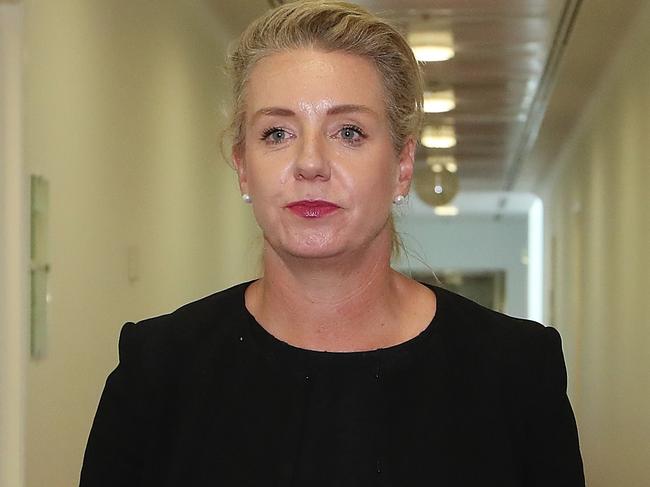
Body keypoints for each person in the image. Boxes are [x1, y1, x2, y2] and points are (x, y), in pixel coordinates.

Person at [79, 1, 585, 486]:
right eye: (277, 133)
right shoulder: (157, 373)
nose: (310, 163)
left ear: (402, 166)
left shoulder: (515, 374)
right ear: (242, 167)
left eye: (348, 131)